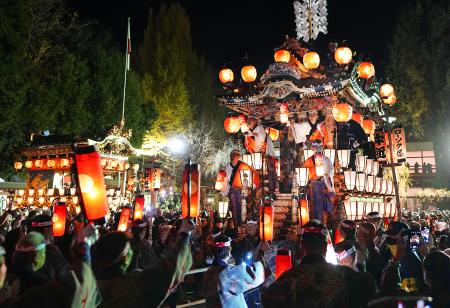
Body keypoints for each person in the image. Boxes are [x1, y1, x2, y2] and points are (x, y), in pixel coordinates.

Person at [93, 219, 194, 308]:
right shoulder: (132, 286)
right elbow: (168, 271)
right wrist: (184, 234)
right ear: (123, 258)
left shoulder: (88, 287)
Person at [201, 234, 266, 308]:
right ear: (229, 251)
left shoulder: (210, 272)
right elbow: (257, 278)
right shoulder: (229, 273)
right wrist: (261, 252)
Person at [220, 150, 259, 234]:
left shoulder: (244, 166)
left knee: (245, 210)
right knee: (235, 210)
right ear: (231, 157)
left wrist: (251, 187)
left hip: (243, 191)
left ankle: (245, 228)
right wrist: (224, 192)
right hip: (233, 192)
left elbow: (253, 176)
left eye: (237, 156)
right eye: (234, 156)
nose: (235, 157)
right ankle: (238, 228)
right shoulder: (226, 167)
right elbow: (224, 180)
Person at [379, 221, 425, 295]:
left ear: (404, 238)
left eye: (393, 237)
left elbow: (408, 293)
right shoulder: (392, 253)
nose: (389, 239)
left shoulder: (411, 261)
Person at [29, 214, 70, 282]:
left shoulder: (23, 250)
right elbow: (67, 276)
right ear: (46, 230)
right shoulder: (51, 253)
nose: (53, 232)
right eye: (52, 229)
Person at [303, 140, 335, 223]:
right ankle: (315, 224)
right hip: (313, 186)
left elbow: (331, 171)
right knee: (314, 207)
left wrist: (324, 175)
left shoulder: (326, 159)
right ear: (312, 148)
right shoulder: (308, 160)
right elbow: (305, 174)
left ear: (322, 148)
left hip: (323, 185)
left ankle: (323, 225)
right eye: (315, 147)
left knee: (324, 207)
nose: (317, 149)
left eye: (319, 147)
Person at [244, 117, 278, 194]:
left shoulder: (260, 129)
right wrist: (248, 135)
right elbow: (248, 143)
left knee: (265, 173)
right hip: (255, 156)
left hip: (263, 155)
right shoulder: (250, 131)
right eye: (248, 120)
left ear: (255, 122)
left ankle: (268, 190)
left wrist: (251, 134)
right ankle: (257, 188)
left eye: (250, 120)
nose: (248, 121)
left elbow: (261, 138)